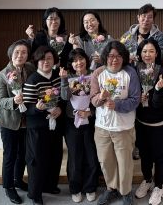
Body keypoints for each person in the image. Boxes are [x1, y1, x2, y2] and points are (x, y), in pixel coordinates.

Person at [90, 41, 141, 205]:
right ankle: (111, 188)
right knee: (106, 161)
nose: (115, 59)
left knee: (125, 162)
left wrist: (117, 105)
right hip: (102, 127)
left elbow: (135, 100)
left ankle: (125, 191)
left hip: (123, 127)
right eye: (111, 56)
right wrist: (100, 98)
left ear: (124, 57)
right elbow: (93, 99)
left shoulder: (130, 73)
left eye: (119, 56)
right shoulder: (98, 73)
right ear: (105, 57)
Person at [0, 39, 36, 204]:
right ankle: (8, 186)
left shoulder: (30, 68)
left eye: (24, 52)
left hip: (27, 120)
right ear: (11, 54)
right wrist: (14, 101)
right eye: (17, 52)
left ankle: (18, 180)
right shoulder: (1, 75)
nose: (20, 55)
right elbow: (0, 100)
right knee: (10, 155)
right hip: (9, 121)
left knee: (23, 154)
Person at [23, 46, 65, 205]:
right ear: (36, 61)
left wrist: (59, 109)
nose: (46, 62)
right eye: (42, 59)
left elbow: (63, 98)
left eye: (49, 58)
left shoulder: (57, 76)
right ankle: (35, 193)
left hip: (55, 125)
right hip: (37, 127)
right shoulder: (32, 80)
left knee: (55, 156)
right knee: (37, 160)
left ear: (54, 60)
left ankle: (50, 185)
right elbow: (26, 108)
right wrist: (37, 108)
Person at [133, 39, 163, 205]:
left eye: (151, 51)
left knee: (158, 155)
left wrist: (155, 90)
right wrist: (138, 98)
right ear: (140, 54)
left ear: (157, 53)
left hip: (158, 122)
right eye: (144, 51)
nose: (147, 55)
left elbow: (162, 102)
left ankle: (159, 186)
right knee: (144, 153)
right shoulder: (135, 70)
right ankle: (147, 179)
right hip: (141, 121)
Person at [60, 48, 100, 203]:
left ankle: (90, 187)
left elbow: (98, 99)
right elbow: (65, 97)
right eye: (74, 60)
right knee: (75, 156)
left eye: (81, 59)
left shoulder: (94, 75)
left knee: (91, 155)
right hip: (72, 122)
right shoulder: (68, 77)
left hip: (90, 121)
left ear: (86, 59)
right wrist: (64, 80)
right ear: (71, 64)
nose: (78, 63)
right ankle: (75, 188)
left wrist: (90, 112)